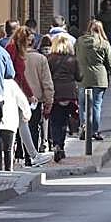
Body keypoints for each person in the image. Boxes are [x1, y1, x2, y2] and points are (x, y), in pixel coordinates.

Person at [9, 27, 54, 159]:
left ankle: (21, 154)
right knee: (32, 126)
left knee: (20, 126)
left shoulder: (13, 53)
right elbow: (46, 82)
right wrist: (48, 100)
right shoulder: (39, 58)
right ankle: (31, 156)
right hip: (31, 98)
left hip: (18, 95)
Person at [75, 20, 111, 141]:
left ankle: (84, 127)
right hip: (99, 78)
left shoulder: (79, 42)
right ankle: (94, 130)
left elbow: (75, 57)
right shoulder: (103, 43)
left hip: (82, 77)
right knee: (96, 105)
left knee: (83, 105)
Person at [0, 75, 50, 170]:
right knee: (8, 147)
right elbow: (21, 80)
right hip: (11, 116)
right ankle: (30, 157)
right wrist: (30, 98)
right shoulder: (11, 82)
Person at [45, 34, 81, 162]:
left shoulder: (49, 59)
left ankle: (56, 144)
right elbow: (79, 76)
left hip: (55, 93)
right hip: (69, 94)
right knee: (64, 121)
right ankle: (61, 145)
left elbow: (47, 76)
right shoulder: (73, 60)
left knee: (55, 120)